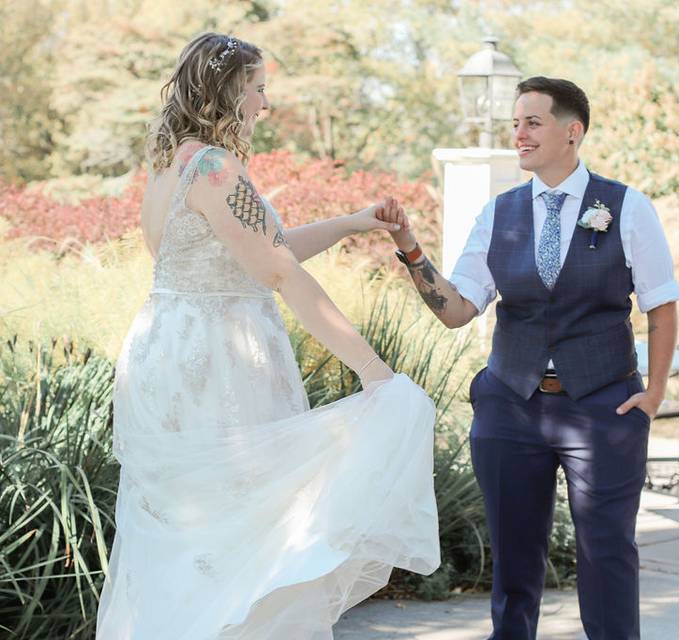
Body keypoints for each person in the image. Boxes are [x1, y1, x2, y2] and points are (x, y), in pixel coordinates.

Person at [94, 32, 440, 639]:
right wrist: (373, 371)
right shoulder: (216, 167)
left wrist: (355, 223)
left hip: (169, 353)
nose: (265, 104)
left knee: (192, 539)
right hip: (222, 364)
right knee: (243, 531)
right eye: (257, 89)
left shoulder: (172, 167)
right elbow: (279, 270)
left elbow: (261, 251)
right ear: (228, 91)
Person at [378, 76, 679, 639]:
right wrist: (412, 250)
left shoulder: (626, 206)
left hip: (603, 406)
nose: (518, 134)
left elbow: (661, 305)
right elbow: (457, 308)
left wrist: (654, 392)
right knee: (514, 562)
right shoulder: (500, 214)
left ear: (573, 131)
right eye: (515, 124)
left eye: (532, 122)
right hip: (510, 408)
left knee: (607, 551)